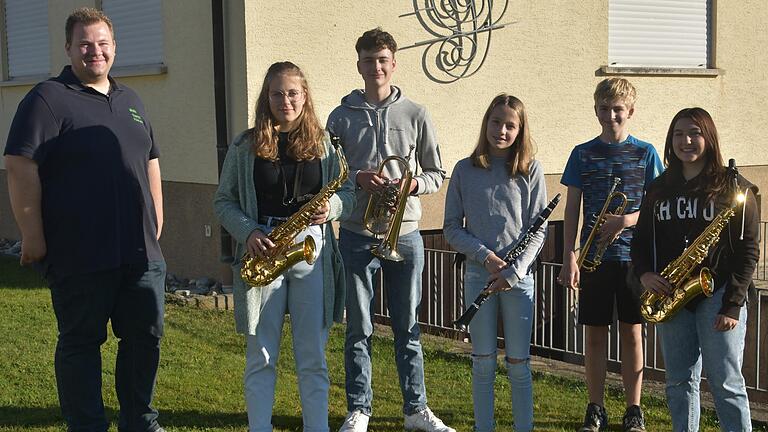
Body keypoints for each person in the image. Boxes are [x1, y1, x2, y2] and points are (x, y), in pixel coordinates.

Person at [4, 8, 166, 431]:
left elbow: (150, 160)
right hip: (79, 253)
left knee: (143, 341)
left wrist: (157, 219)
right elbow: (21, 165)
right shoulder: (47, 99)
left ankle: (140, 422)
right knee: (81, 344)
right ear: (69, 49)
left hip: (139, 251)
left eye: (102, 43)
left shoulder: (131, 99)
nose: (95, 51)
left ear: (115, 47)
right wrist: (32, 235)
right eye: (85, 44)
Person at [214, 61, 353, 432]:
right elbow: (223, 202)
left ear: (304, 96)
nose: (285, 100)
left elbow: (349, 193)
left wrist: (334, 206)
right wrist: (248, 232)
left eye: (292, 93)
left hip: (312, 250)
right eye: (277, 93)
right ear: (266, 97)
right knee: (261, 356)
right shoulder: (246, 145)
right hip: (264, 247)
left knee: (313, 358)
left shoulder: (324, 144)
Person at [326, 28, 453, 432]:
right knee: (358, 326)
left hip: (407, 233)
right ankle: (359, 408)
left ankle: (416, 410)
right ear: (358, 64)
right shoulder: (340, 116)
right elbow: (330, 175)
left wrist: (412, 185)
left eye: (382, 59)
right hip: (357, 234)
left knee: (408, 327)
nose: (375, 66)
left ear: (394, 63)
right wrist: (358, 178)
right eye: (368, 60)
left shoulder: (416, 113)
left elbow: (437, 172)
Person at [631, 107, 758, 432]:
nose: (686, 140)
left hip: (718, 295)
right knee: (679, 383)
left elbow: (748, 252)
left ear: (709, 138)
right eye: (678, 134)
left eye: (694, 133)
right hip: (672, 296)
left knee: (726, 383)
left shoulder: (734, 188)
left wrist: (733, 304)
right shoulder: (658, 188)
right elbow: (640, 241)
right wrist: (645, 274)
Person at [558, 77, 663, 432]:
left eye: (618, 109)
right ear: (596, 111)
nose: (611, 115)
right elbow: (572, 208)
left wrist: (625, 220)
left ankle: (634, 409)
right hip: (593, 258)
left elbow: (655, 205)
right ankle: (596, 407)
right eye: (604, 109)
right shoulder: (582, 153)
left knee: (633, 333)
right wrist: (570, 254)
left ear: (630, 111)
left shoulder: (645, 152)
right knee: (594, 335)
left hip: (635, 260)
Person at [443, 94, 547, 432]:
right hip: (479, 274)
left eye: (510, 125)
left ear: (520, 130)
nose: (501, 130)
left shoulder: (530, 169)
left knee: (519, 365)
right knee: (483, 363)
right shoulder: (464, 169)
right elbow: (451, 228)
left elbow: (539, 228)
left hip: (518, 279)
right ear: (486, 123)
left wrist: (514, 272)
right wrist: (485, 257)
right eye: (496, 122)